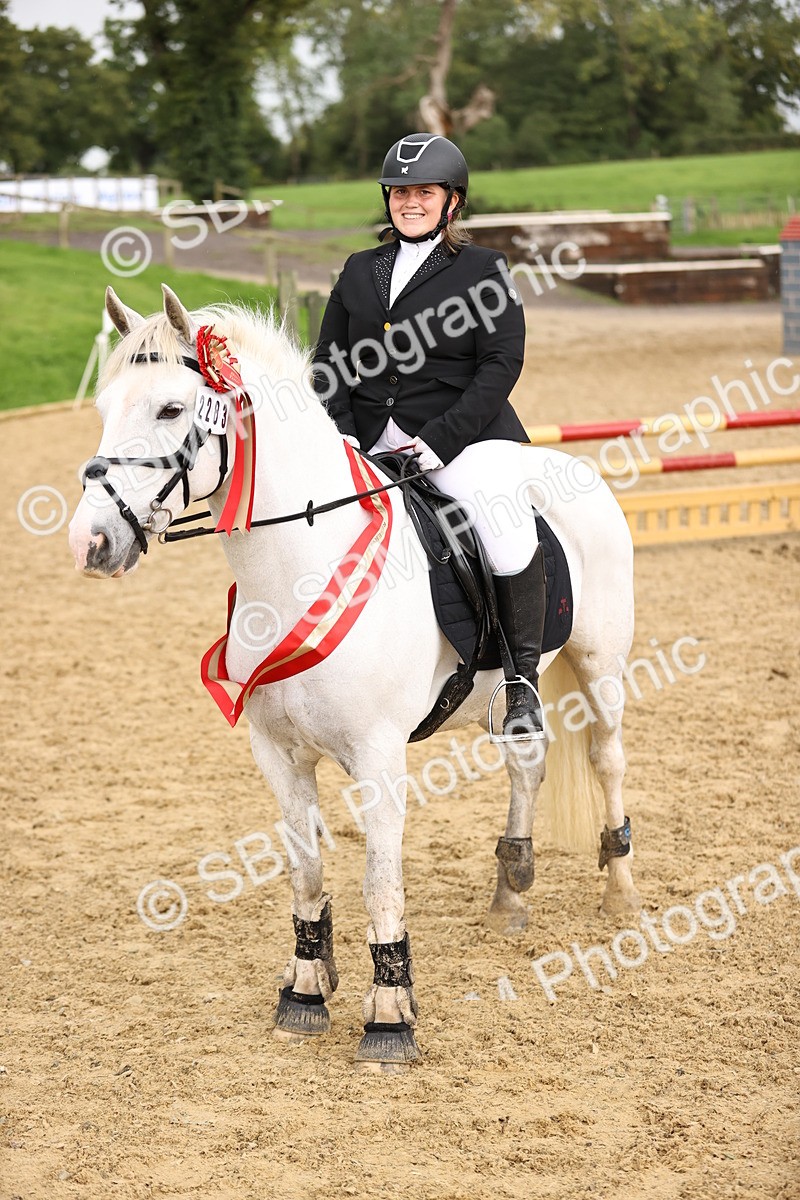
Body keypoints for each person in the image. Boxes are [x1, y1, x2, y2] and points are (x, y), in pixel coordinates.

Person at [311, 131, 546, 741]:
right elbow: (328, 363)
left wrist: (442, 439)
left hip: (461, 440)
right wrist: (342, 438)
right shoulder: (360, 270)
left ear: (451, 201)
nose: (409, 202)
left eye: (423, 192)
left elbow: (502, 362)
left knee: (502, 520)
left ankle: (521, 683)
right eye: (399, 192)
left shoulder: (482, 268)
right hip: (367, 445)